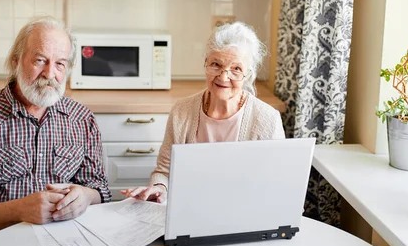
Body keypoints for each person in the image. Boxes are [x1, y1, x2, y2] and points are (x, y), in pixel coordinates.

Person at [0, 17, 110, 246]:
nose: (50, 74)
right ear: (15, 61)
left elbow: (100, 189)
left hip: (68, 244)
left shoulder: (81, 119)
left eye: (60, 64)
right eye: (40, 60)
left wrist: (87, 196)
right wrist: (19, 211)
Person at [121, 22, 285, 203]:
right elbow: (164, 172)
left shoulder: (268, 119)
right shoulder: (181, 111)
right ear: (205, 64)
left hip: (243, 213)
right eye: (216, 64)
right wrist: (160, 189)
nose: (223, 77)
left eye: (236, 69)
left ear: (249, 74)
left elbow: (276, 185)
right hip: (187, 209)